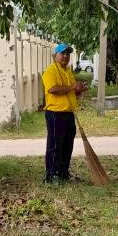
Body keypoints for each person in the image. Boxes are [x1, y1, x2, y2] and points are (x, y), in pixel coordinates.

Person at [41, 43, 84, 183]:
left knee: (67, 145)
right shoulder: (50, 71)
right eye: (62, 53)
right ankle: (51, 175)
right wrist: (72, 87)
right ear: (55, 55)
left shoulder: (67, 71)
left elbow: (71, 90)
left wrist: (78, 90)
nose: (65, 56)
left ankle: (63, 173)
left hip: (69, 113)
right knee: (55, 145)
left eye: (68, 54)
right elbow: (53, 89)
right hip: (55, 113)